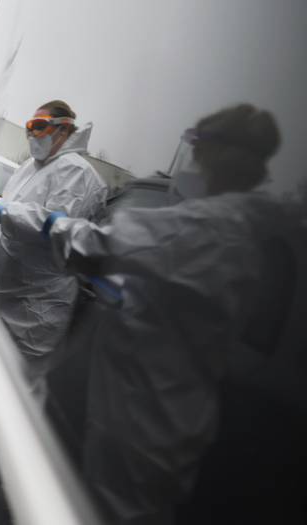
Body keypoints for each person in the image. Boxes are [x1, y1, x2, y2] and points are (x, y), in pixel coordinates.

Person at [35, 104, 296, 523]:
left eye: (196, 146)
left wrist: (52, 223)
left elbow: (98, 246)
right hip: (184, 399)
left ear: (214, 154)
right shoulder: (258, 221)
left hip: (146, 409)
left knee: (124, 508)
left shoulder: (207, 225)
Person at [0, 100, 107, 358]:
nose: (31, 134)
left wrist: (5, 214)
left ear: (63, 130)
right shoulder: (29, 168)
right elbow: (14, 227)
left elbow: (59, 228)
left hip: (39, 308)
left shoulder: (76, 171)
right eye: (28, 128)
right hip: (9, 300)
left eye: (39, 126)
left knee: (26, 388)